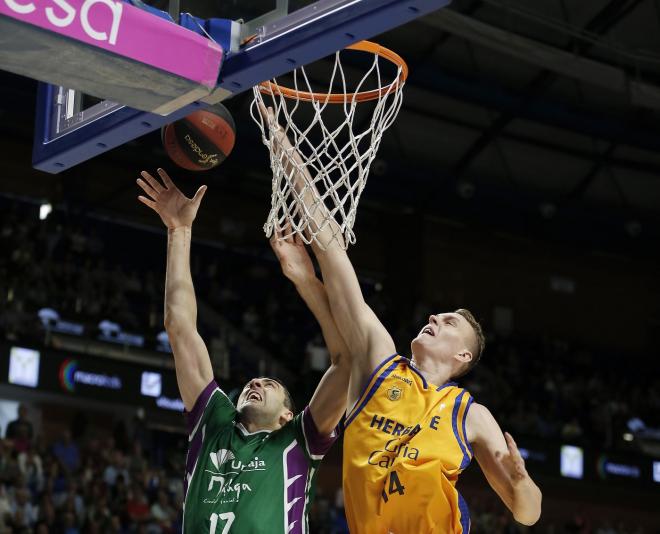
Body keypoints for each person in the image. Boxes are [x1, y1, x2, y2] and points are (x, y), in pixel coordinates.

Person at [258, 104, 542, 533]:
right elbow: (332, 252)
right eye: (439, 314)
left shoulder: (469, 414)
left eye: (449, 322)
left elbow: (528, 513)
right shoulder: (379, 361)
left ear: (464, 354)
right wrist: (281, 142)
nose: (434, 317)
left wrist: (521, 483)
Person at [136, 168, 350, 533]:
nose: (256, 382)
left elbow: (347, 363)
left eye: (269, 384)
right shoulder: (214, 421)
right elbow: (180, 327)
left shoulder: (297, 440)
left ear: (286, 416)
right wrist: (179, 231)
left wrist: (306, 282)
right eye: (257, 380)